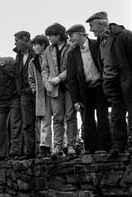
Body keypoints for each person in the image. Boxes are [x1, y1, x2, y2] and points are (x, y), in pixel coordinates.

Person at [86, 11, 132, 156]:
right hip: (111, 83)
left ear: (102, 24)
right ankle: (119, 146)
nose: (90, 30)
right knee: (117, 115)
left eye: (92, 25)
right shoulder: (100, 41)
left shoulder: (124, 35)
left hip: (126, 81)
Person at [66, 24, 112, 154]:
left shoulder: (96, 45)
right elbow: (72, 79)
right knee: (87, 119)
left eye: (72, 35)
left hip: (100, 87)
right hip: (85, 90)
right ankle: (90, 148)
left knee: (102, 116)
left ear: (81, 34)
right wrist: (75, 100)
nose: (70, 39)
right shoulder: (72, 54)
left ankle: (105, 147)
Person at [41, 23, 77, 157]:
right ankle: (57, 146)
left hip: (69, 87)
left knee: (70, 116)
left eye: (51, 35)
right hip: (54, 89)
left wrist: (60, 78)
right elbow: (44, 69)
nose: (49, 38)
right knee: (57, 118)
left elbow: (73, 66)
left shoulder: (71, 47)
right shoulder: (48, 51)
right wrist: (47, 83)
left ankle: (71, 145)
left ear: (59, 35)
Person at [14, 31, 36, 158]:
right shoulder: (18, 56)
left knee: (41, 121)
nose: (15, 43)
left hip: (36, 91)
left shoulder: (35, 53)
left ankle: (42, 149)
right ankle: (30, 152)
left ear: (25, 40)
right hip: (24, 94)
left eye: (17, 40)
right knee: (27, 124)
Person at [28, 35, 51, 157]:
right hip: (42, 94)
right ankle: (45, 146)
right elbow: (31, 79)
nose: (33, 47)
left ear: (43, 45)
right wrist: (36, 90)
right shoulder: (33, 62)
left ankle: (62, 145)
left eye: (36, 44)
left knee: (59, 118)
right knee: (44, 120)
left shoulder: (51, 56)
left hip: (54, 89)